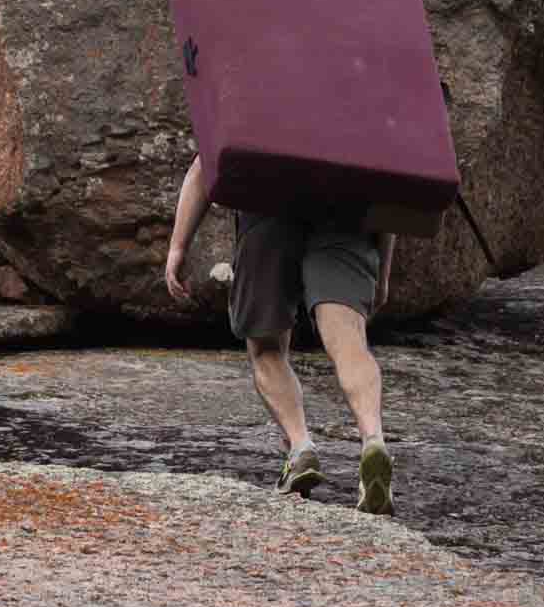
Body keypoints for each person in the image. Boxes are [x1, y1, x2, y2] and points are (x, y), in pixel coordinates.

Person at [164, 154, 396, 514]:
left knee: (266, 347)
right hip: (346, 209)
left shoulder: (256, 93)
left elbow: (204, 166)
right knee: (349, 340)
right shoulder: (364, 96)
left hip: (266, 208)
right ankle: (373, 439)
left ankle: (301, 448)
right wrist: (383, 269)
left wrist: (178, 247)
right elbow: (387, 176)